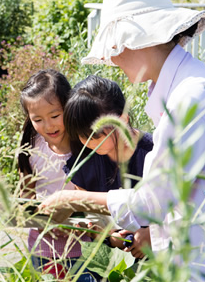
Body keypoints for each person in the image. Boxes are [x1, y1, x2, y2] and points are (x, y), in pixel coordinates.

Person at [39, 0, 205, 282]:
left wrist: (72, 198)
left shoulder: (188, 98)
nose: (114, 61)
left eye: (115, 49)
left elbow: (154, 200)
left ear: (137, 40)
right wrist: (153, 234)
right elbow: (183, 193)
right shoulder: (186, 86)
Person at [18, 69, 100, 282]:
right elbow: (25, 204)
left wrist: (75, 225)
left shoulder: (87, 146)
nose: (49, 126)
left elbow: (98, 200)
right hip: (43, 250)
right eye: (38, 119)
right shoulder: (32, 148)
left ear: (69, 107)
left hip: (86, 250)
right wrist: (44, 221)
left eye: (55, 116)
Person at [62, 75, 153, 252]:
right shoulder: (85, 163)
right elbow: (93, 223)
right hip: (108, 263)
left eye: (94, 135)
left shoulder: (154, 153)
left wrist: (153, 235)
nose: (88, 143)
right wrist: (110, 237)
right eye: (82, 136)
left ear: (122, 119)